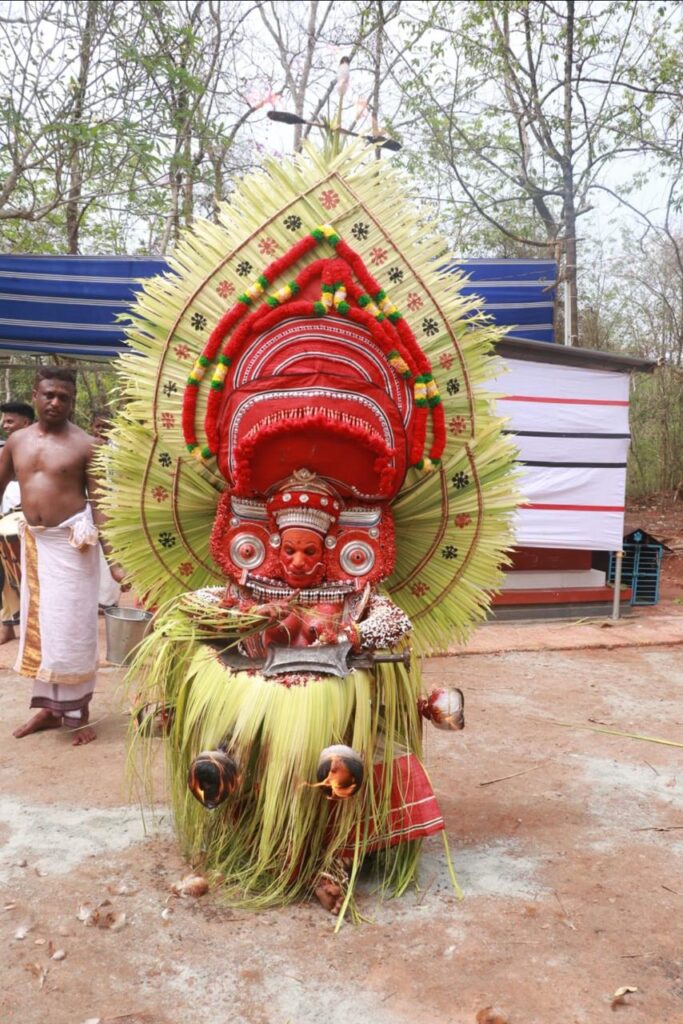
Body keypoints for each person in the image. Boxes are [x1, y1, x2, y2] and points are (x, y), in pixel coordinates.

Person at [0, 367, 123, 746]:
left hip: (72, 549)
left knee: (72, 630)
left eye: (64, 397)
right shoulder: (16, 442)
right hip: (35, 546)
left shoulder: (87, 445)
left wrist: (115, 560)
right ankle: (51, 710)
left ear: (71, 401)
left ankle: (78, 711)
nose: (56, 402)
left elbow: (100, 504)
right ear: (36, 394)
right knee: (44, 631)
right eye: (49, 394)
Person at [0, 401, 35, 643]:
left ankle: (34, 629)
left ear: (26, 422)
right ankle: (8, 626)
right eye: (3, 420)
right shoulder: (4, 449)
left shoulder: (40, 446)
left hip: (35, 522)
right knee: (6, 580)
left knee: (33, 578)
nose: (4, 425)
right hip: (7, 519)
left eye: (10, 421)